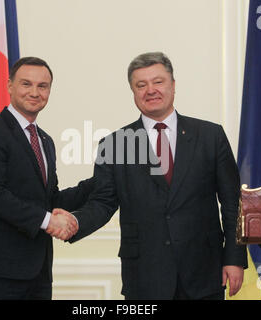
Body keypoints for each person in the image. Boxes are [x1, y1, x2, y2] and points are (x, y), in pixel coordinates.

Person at [56, 52, 247, 300]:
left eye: (158, 82)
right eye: (141, 85)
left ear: (173, 85)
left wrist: (234, 258)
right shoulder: (115, 144)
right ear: (133, 92)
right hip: (145, 275)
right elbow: (103, 203)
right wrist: (76, 221)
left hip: (203, 271)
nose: (150, 90)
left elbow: (233, 204)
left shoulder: (210, 136)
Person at [0, 57, 94, 300]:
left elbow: (51, 199)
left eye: (43, 86)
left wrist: (103, 180)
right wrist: (47, 221)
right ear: (10, 86)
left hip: (38, 273)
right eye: (27, 84)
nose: (35, 92)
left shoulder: (45, 141)